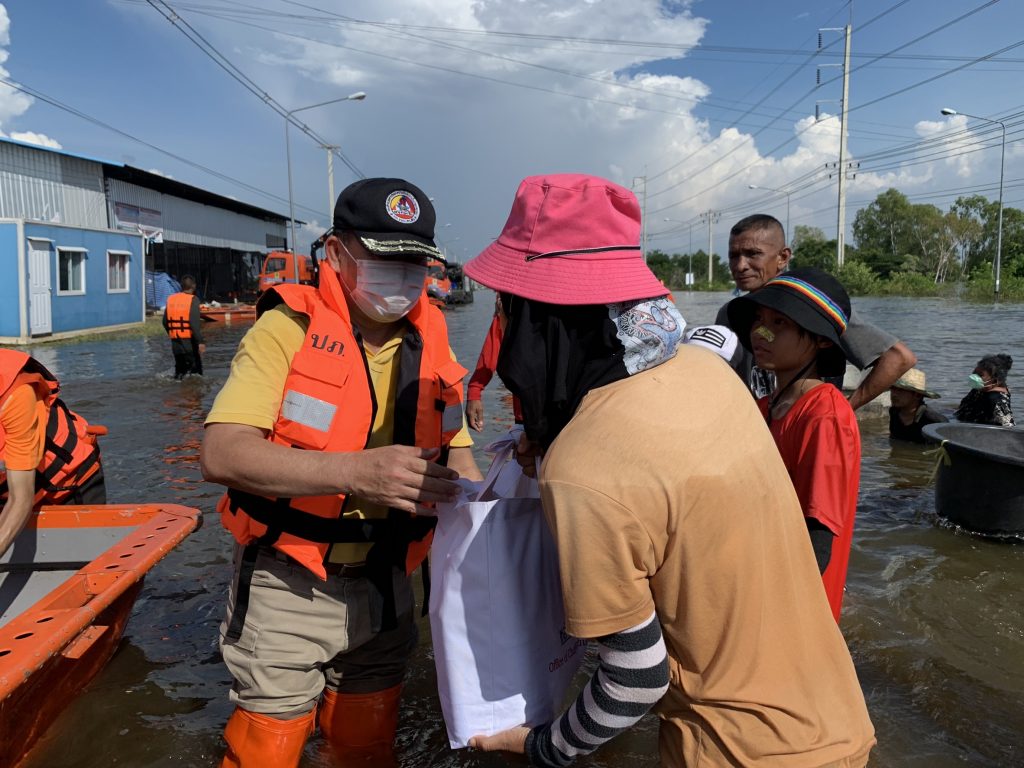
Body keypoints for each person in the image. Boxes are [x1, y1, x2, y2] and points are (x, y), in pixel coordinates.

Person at [463, 174, 875, 767]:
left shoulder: (584, 470)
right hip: (837, 724)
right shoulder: (711, 376)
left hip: (735, 750)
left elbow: (636, 678)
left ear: (543, 324)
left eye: (511, 308)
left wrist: (539, 745)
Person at [200, 177, 481, 768]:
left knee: (365, 749)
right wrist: (356, 472)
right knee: (266, 753)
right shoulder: (286, 330)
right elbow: (221, 453)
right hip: (289, 581)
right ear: (335, 251)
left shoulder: (431, 336)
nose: (401, 277)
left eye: (413, 263)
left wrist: (494, 522)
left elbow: (457, 453)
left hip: (389, 583)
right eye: (383, 259)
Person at [727, 268, 862, 622]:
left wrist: (781, 616)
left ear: (821, 341)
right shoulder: (764, 406)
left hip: (794, 606)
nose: (761, 332)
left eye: (780, 323)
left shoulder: (825, 415)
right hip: (760, 580)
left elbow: (818, 538)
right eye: (758, 320)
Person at [716, 214, 917, 409]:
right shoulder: (730, 314)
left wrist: (846, 408)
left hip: (806, 422)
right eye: (734, 256)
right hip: (761, 423)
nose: (740, 266)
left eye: (753, 254)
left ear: (783, 257)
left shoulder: (813, 308)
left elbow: (898, 358)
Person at [1, 349, 106, 556]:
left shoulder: (15, 395)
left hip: (66, 482)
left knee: (85, 560)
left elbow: (20, 499)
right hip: (9, 485)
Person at [465, 292, 522, 431]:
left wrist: (474, 390)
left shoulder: (511, 304)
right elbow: (493, 346)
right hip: (526, 414)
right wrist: (474, 390)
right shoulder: (511, 303)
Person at [887, 368, 947, 442]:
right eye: (893, 388)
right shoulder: (894, 412)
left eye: (900, 390)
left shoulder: (933, 421)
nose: (894, 394)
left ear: (917, 395)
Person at [163, 275, 206, 378]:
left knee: (180, 373)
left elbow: (164, 322)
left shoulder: (171, 299)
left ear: (181, 286)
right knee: (196, 374)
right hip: (189, 344)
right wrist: (200, 342)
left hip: (175, 344)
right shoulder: (193, 299)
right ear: (194, 286)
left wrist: (173, 333)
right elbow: (194, 323)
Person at [954, 354, 1015, 427]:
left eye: (980, 375)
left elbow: (1008, 427)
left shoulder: (997, 400)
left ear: (995, 380)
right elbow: (963, 409)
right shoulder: (979, 389)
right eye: (974, 373)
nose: (974, 377)